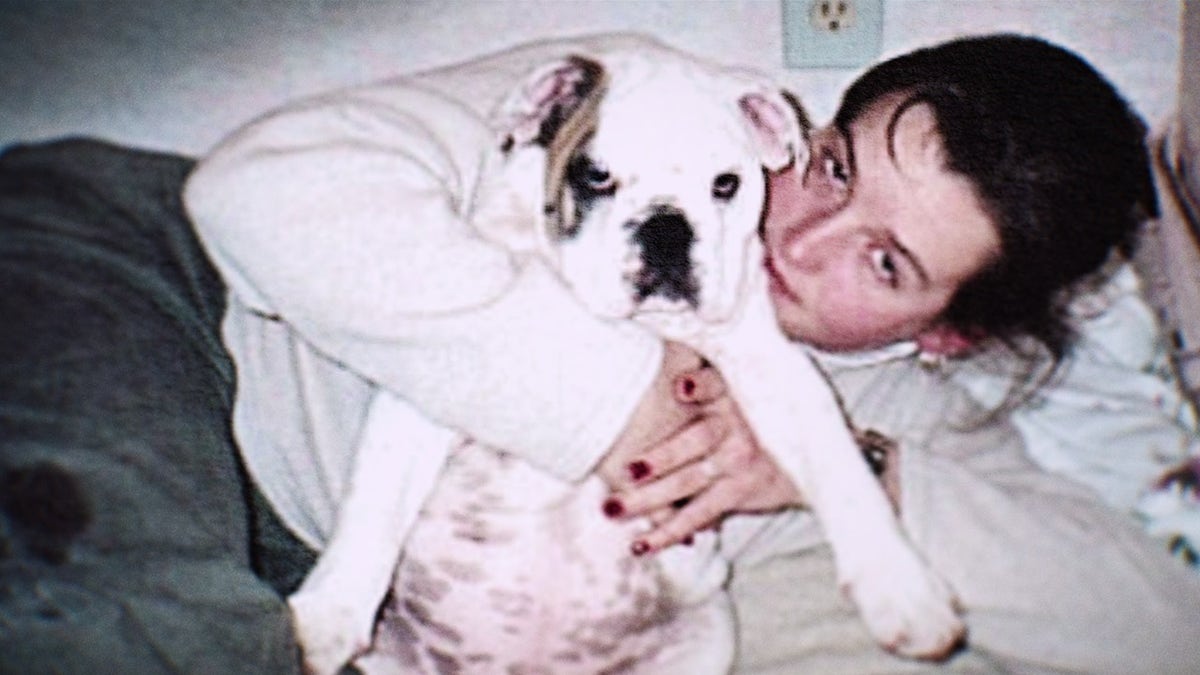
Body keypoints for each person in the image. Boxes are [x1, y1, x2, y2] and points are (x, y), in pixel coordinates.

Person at [0, 32, 1196, 675]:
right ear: (802, 127)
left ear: (949, 330)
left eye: (884, 263)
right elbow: (253, 194)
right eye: (834, 167)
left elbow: (1164, 632)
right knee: (119, 632)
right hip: (163, 290)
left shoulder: (916, 406)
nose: (805, 230)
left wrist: (849, 469)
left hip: (303, 542)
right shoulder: (643, 103)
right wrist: (628, 407)